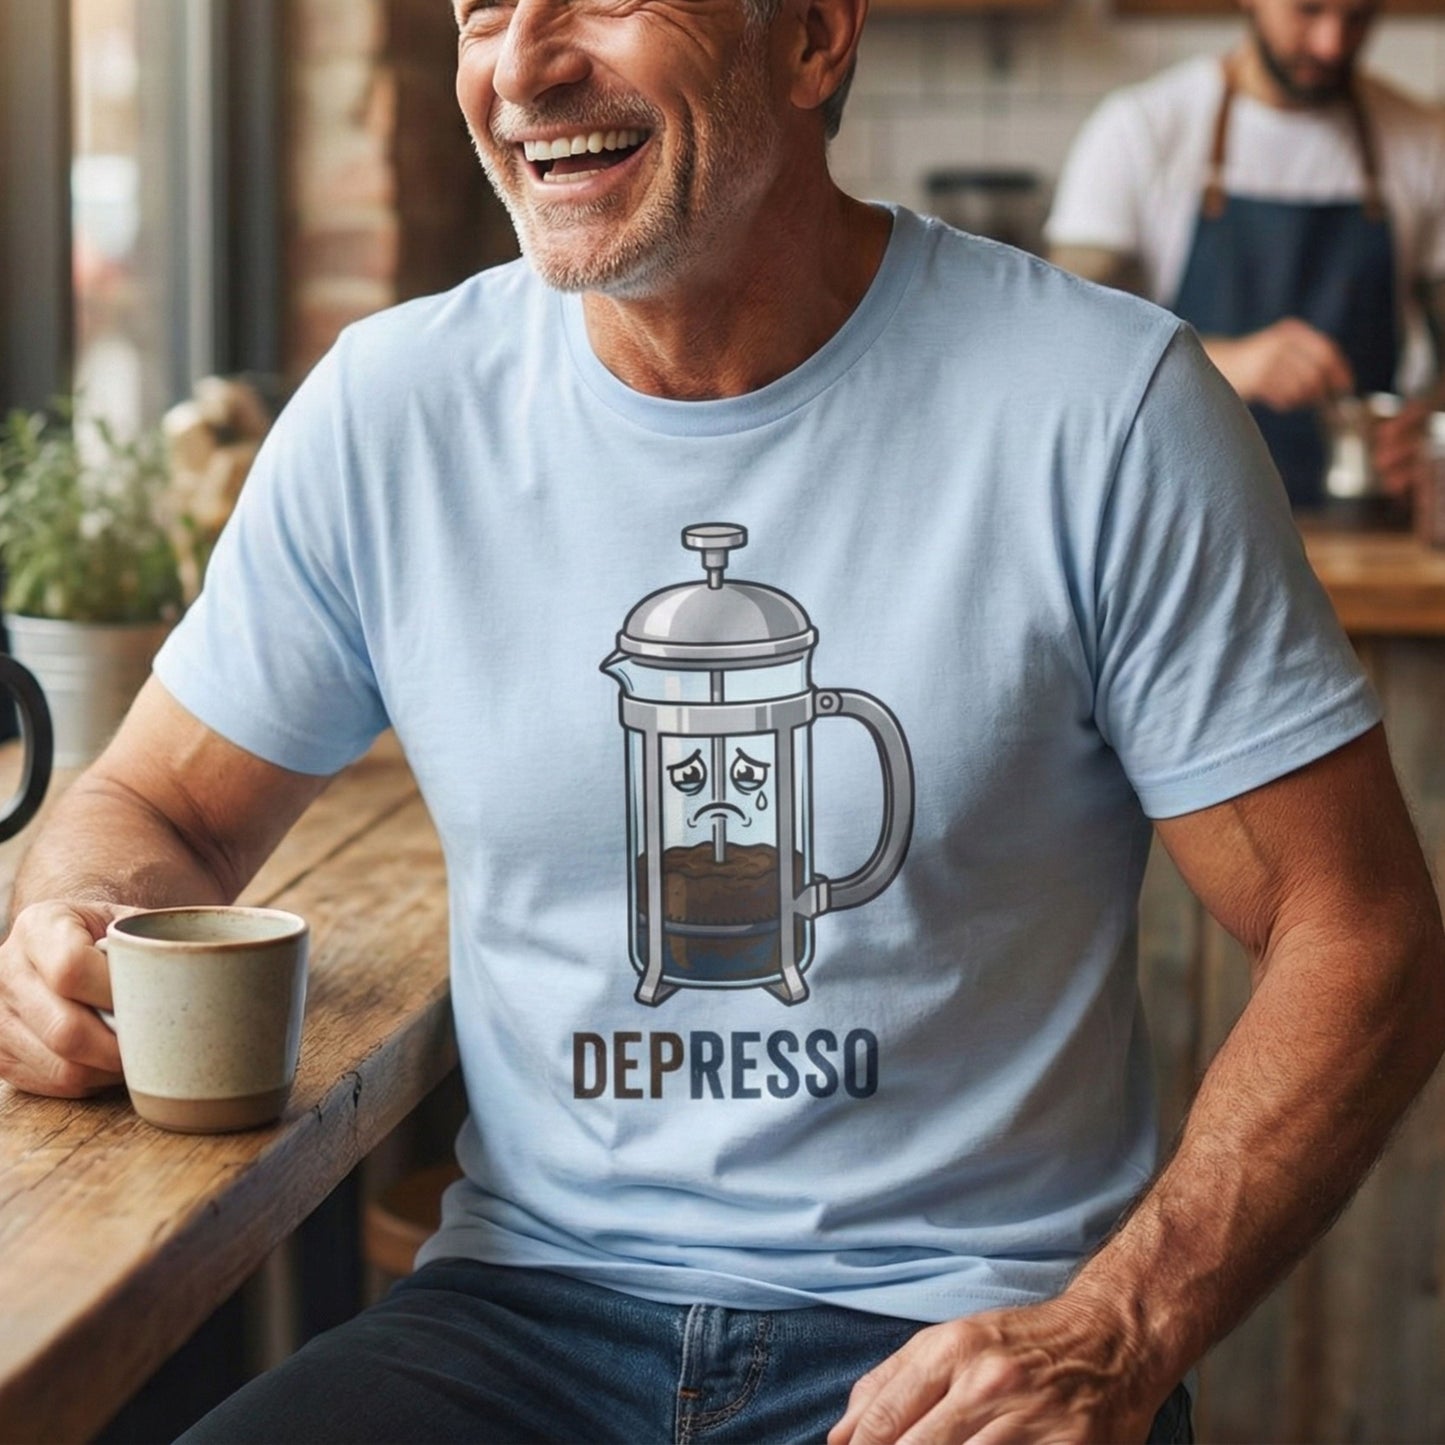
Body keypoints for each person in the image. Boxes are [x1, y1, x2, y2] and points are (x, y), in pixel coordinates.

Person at [2, 0, 1443, 1437]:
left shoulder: (1102, 407)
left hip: (955, 1337)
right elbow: (162, 808)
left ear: (814, 38)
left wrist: (1117, 1328)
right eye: (483, 9)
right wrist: (73, 922)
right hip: (520, 1315)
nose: (521, 65)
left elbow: (1358, 930)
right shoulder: (391, 412)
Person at [1045, 0, 1445, 511]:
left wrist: (1426, 437)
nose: (1331, 43)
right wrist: (1226, 364)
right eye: (1308, 10)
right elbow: (1065, 349)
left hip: (1367, 529)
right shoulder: (1140, 132)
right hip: (1183, 526)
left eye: (1358, 18)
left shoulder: (1422, 142)